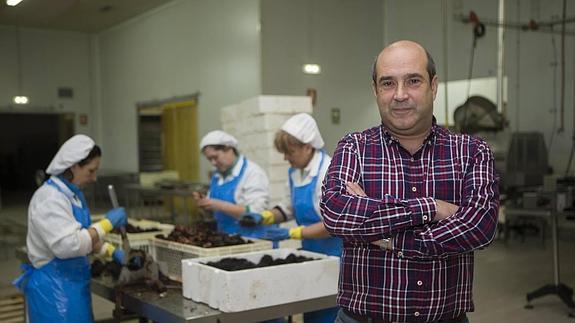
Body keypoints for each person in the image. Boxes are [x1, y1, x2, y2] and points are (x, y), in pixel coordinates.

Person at [320, 40, 499, 323]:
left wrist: (388, 235)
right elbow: (336, 215)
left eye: (413, 81)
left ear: (433, 86)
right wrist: (431, 208)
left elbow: (481, 228)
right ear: (375, 90)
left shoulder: (471, 152)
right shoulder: (354, 147)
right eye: (388, 83)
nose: (400, 94)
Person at [13, 134, 128, 322]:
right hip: (54, 293)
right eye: (90, 171)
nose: (94, 178)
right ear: (74, 166)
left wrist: (110, 250)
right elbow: (68, 245)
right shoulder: (50, 198)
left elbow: (83, 235)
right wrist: (107, 223)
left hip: (73, 287)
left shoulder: (73, 195)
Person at [240, 113, 342, 323]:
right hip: (310, 252)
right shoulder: (295, 171)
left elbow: (335, 223)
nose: (286, 158)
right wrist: (264, 217)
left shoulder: (329, 172)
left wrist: (292, 232)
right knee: (310, 308)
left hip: (335, 254)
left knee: (328, 312)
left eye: (290, 152)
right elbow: (289, 208)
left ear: (308, 146)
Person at [194, 130, 270, 236]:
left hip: (252, 238)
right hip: (227, 237)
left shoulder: (252, 173)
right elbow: (215, 210)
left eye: (215, 157)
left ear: (229, 149)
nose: (213, 163)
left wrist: (219, 205)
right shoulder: (217, 175)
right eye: (209, 159)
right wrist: (205, 203)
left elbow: (256, 213)